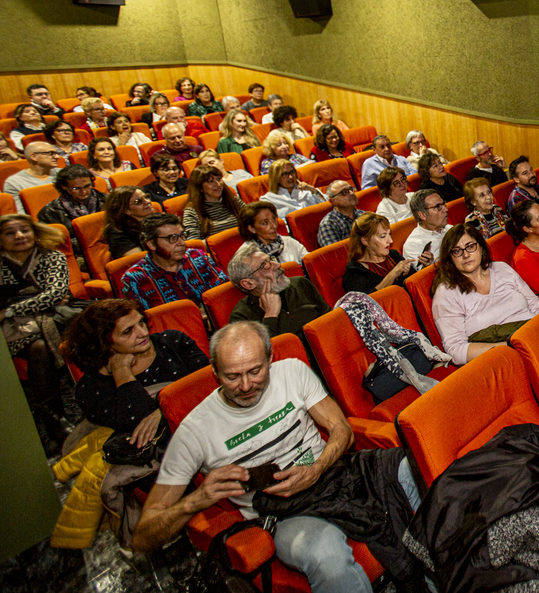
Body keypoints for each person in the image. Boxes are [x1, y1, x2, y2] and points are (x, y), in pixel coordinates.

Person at [131, 322, 398, 593]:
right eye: (232, 377)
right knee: (325, 553)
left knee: (410, 473)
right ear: (214, 371)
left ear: (270, 359)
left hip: (333, 476)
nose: (246, 386)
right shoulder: (195, 431)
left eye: (255, 371)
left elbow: (341, 429)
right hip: (283, 514)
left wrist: (317, 468)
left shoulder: (292, 371)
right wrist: (198, 499)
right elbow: (143, 537)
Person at [0, 215, 76, 451]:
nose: (19, 236)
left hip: (54, 318)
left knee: (44, 342)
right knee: (39, 348)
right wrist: (35, 301)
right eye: (10, 233)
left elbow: (55, 294)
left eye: (24, 230)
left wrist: (8, 310)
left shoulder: (51, 257)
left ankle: (60, 416)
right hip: (12, 332)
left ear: (35, 233)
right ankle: (55, 419)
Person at [65, 298, 208, 440]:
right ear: (103, 342)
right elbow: (138, 420)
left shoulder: (173, 341)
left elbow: (211, 385)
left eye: (141, 323)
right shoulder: (89, 388)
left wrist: (165, 411)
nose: (143, 333)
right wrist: (121, 370)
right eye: (128, 331)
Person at [431, 225, 539, 365]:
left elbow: (537, 306)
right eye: (457, 251)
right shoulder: (447, 292)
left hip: (534, 335)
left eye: (470, 246)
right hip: (503, 356)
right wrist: (510, 347)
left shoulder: (501, 268)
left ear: (481, 247)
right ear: (450, 258)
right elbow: (455, 350)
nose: (466, 255)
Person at [119, 213, 227, 310]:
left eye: (181, 235)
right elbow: (147, 323)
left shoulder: (197, 257)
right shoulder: (134, 279)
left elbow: (224, 291)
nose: (181, 243)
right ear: (151, 244)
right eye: (173, 238)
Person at [228, 243, 330, 345]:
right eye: (265, 265)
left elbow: (331, 321)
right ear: (248, 284)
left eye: (271, 260)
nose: (277, 265)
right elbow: (264, 356)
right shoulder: (242, 317)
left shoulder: (300, 284)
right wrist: (270, 316)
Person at [38, 164, 102, 264]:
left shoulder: (107, 200)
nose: (84, 192)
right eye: (76, 189)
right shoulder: (50, 212)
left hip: (109, 248)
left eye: (87, 186)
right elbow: (57, 244)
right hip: (79, 255)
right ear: (64, 187)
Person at [342, 213, 412, 294]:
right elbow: (368, 302)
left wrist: (424, 265)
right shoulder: (354, 272)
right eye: (383, 236)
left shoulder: (393, 255)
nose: (390, 241)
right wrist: (392, 274)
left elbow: (415, 286)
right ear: (365, 241)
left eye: (389, 234)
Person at [239, 201, 308, 265]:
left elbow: (310, 265)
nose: (274, 226)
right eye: (265, 223)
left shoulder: (289, 242)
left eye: (273, 219)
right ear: (252, 229)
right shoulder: (247, 256)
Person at [182, 166, 242, 240]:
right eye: (210, 181)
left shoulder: (233, 200)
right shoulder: (192, 211)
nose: (217, 184)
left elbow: (251, 219)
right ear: (200, 188)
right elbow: (195, 242)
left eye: (218, 179)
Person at [5, 142, 60, 211]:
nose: (57, 157)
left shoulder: (63, 174)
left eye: (57, 153)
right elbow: (20, 213)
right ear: (34, 157)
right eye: (51, 153)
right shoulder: (14, 182)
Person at [260, 160, 324, 218]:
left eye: (292, 172)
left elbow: (327, 208)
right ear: (276, 177)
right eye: (285, 174)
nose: (290, 177)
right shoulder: (268, 200)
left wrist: (313, 190)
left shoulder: (307, 191)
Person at [103, 186, 154, 259]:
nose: (147, 202)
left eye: (146, 197)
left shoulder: (155, 217)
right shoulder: (118, 233)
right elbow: (139, 259)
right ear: (127, 210)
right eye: (138, 201)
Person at [401, 190, 448, 262]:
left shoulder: (449, 228)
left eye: (443, 204)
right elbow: (424, 273)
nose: (445, 209)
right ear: (423, 215)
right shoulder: (413, 246)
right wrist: (427, 266)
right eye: (438, 206)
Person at [317, 180, 366, 247]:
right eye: (344, 192)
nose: (351, 193)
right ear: (333, 201)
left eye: (351, 189)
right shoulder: (328, 224)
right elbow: (335, 254)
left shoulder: (364, 215)